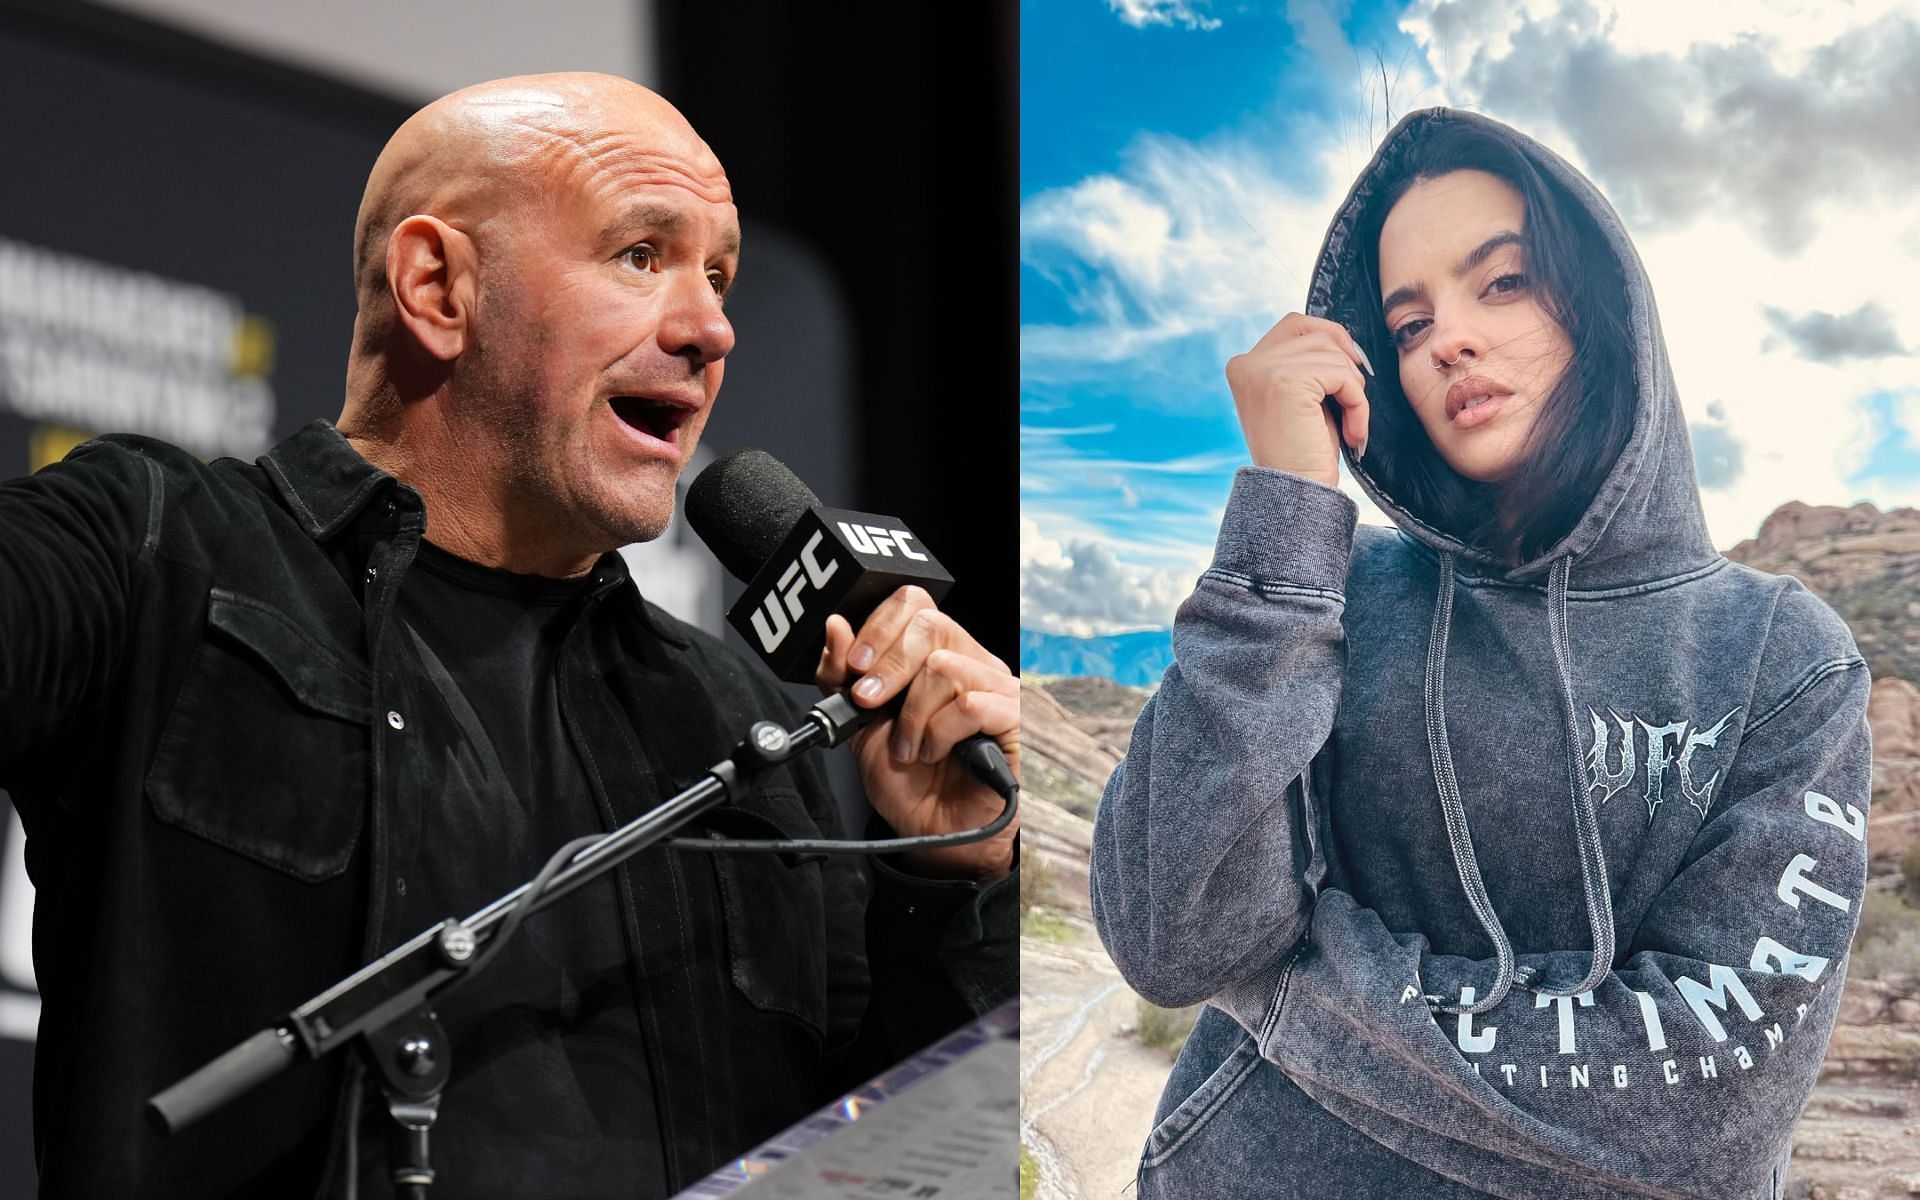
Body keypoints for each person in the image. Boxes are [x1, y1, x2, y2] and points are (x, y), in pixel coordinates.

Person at [0, 73, 1018, 1198]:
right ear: (439, 287)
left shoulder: (744, 733)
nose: (711, 328)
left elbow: (885, 1169)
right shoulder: (157, 555)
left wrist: (947, 878)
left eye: (720, 274)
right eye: (642, 255)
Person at [1090, 107, 1868, 1199]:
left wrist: (1284, 990)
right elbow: (1174, 941)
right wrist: (1286, 519)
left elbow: (1706, 1117)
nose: (1448, 337)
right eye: (1407, 326)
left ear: (1600, 306)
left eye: (1501, 283)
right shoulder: (1329, 589)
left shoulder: (1780, 657)